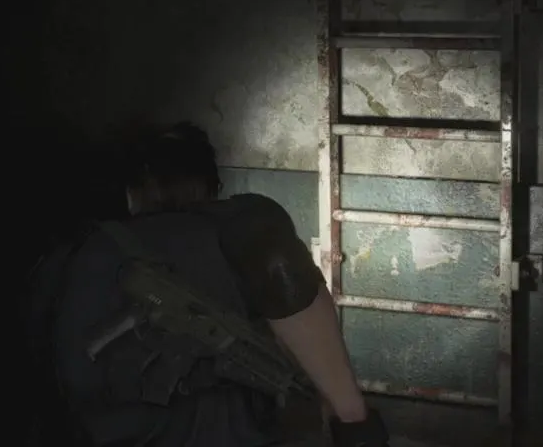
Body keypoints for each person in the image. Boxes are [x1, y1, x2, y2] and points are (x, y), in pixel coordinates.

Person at [26, 122, 388, 447]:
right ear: (210, 184)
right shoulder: (239, 226)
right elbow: (279, 267)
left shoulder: (67, 255)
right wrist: (353, 420)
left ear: (133, 188)